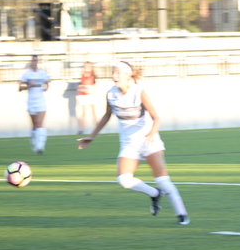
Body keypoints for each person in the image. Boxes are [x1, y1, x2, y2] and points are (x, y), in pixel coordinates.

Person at [77, 61, 190, 225]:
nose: (114, 76)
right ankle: (154, 194)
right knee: (124, 180)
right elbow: (106, 116)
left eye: (117, 72)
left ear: (127, 75)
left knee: (163, 181)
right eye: (113, 72)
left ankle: (182, 214)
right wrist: (91, 136)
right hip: (129, 143)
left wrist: (152, 133)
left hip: (149, 141)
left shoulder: (139, 91)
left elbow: (156, 117)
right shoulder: (111, 94)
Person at [19, 54, 51, 154]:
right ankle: (34, 142)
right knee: (34, 125)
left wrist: (46, 87)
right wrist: (29, 85)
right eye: (33, 60)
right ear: (31, 62)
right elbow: (20, 87)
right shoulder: (27, 74)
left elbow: (47, 84)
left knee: (39, 123)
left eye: (36, 60)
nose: (35, 62)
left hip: (40, 101)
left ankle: (40, 146)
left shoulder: (42, 73)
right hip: (31, 101)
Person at [76, 61, 98, 135]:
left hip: (90, 95)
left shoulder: (93, 76)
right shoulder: (82, 76)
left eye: (88, 66)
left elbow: (93, 87)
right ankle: (81, 130)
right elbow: (79, 87)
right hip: (83, 96)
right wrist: (83, 89)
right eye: (85, 66)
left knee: (94, 113)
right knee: (83, 113)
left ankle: (97, 128)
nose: (87, 68)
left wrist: (87, 89)